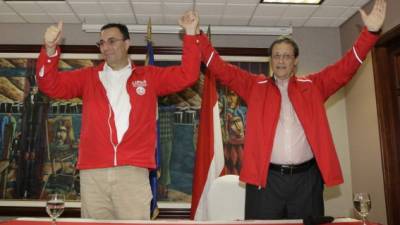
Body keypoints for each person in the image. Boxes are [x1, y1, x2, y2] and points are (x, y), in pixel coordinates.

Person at [196, 0, 386, 219]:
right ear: (270, 60)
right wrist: (198, 37)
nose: (281, 61)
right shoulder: (255, 87)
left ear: (295, 61)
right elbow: (222, 69)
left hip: (306, 180)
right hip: (266, 181)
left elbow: (346, 68)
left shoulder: (314, 86)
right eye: (276, 56)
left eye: (287, 56)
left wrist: (370, 33)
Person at [36, 11, 201, 220]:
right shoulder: (87, 77)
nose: (105, 47)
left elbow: (189, 74)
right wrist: (50, 50)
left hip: (133, 172)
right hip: (93, 173)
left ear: (127, 43)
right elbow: (49, 85)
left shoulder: (149, 77)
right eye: (102, 43)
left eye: (112, 41)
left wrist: (190, 33)